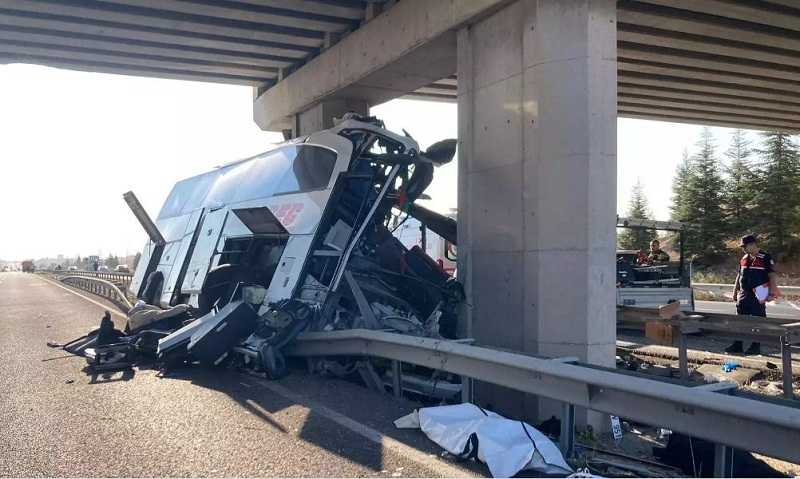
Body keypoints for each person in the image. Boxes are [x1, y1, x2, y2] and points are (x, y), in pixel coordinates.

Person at [726, 234, 778, 355]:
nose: (743, 249)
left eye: (745, 246)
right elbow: (739, 275)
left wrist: (771, 292)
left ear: (753, 244)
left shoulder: (765, 257)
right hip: (744, 293)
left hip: (760, 291)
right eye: (742, 246)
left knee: (757, 320)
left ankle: (756, 345)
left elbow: (772, 276)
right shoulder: (744, 258)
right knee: (740, 320)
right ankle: (738, 344)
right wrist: (735, 291)